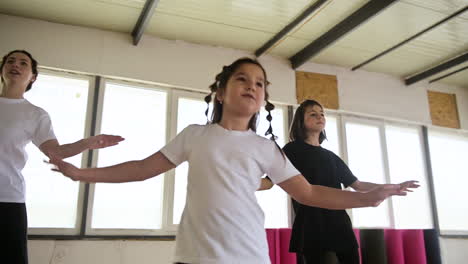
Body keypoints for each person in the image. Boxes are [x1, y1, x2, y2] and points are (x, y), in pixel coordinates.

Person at [50, 58, 412, 264]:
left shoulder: (267, 148)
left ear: (263, 98)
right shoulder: (195, 135)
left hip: (249, 256)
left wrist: (366, 196)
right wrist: (81, 173)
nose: (252, 86)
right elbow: (143, 169)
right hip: (195, 257)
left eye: (260, 83)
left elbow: (310, 194)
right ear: (220, 92)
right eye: (242, 78)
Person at [0, 50, 124, 264]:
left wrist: (88, 142)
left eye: (23, 63)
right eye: (10, 61)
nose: (16, 65)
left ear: (33, 77)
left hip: (8, 199)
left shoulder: (35, 114)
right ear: (2, 70)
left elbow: (55, 152)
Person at [283, 99, 419, 264]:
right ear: (300, 121)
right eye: (313, 114)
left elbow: (358, 185)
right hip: (311, 225)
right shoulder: (291, 150)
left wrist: (394, 187)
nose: (320, 117)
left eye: (322, 114)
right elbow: (271, 179)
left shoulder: (331, 157)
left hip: (340, 224)